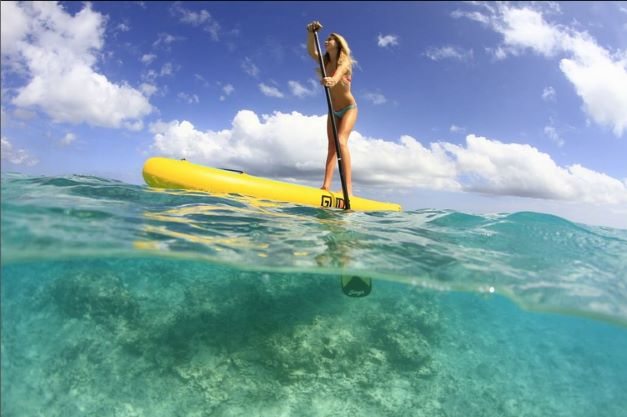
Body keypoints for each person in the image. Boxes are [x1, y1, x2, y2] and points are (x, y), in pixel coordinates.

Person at [306, 21, 357, 196]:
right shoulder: (325, 62)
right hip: (333, 111)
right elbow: (312, 51)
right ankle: (325, 186)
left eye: (330, 39)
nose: (326, 41)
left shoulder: (345, 62)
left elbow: (338, 75)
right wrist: (310, 33)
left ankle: (348, 189)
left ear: (339, 44)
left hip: (349, 108)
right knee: (331, 147)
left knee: (342, 141)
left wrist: (332, 80)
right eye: (326, 39)